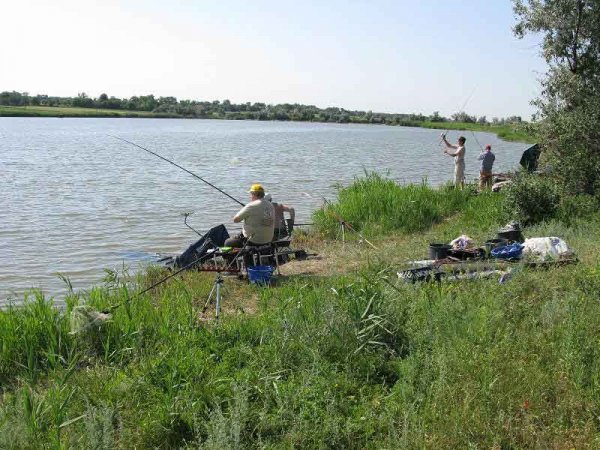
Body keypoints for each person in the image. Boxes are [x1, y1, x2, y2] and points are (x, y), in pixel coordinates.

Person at [224, 184, 274, 248]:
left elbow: (235, 220)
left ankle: (237, 257)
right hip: (268, 239)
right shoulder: (270, 205)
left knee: (228, 242)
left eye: (251, 194)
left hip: (253, 241)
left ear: (254, 194)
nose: (251, 197)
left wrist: (243, 210)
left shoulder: (251, 206)